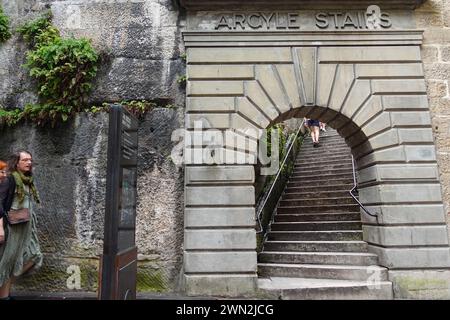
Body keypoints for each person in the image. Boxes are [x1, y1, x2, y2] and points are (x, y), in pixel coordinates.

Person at [0, 151, 43, 300]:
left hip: (26, 228)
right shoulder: (10, 179)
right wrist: (0, 228)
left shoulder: (28, 180)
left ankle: (5, 290)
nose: (29, 162)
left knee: (35, 254)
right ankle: (4, 295)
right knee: (8, 263)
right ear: (16, 163)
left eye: (30, 160)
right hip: (12, 228)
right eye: (25, 160)